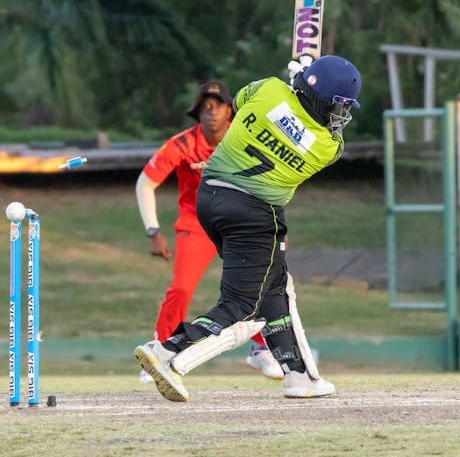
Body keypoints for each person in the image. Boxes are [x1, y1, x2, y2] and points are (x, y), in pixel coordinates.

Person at [134, 55, 362, 402]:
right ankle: (168, 353)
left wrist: (292, 81)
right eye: (338, 105)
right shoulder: (326, 147)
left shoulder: (270, 89)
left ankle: (298, 375)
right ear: (321, 100)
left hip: (210, 198)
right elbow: (324, 131)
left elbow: (240, 103)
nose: (339, 114)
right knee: (242, 304)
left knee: (276, 289)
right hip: (255, 216)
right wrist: (301, 83)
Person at [135, 80, 283, 381]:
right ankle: (161, 351)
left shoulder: (244, 137)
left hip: (241, 220)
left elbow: (272, 176)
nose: (211, 112)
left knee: (257, 284)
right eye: (205, 106)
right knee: (182, 287)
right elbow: (145, 183)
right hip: (196, 222)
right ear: (198, 113)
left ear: (230, 110)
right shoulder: (182, 144)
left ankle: (261, 349)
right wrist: (153, 231)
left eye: (218, 105)